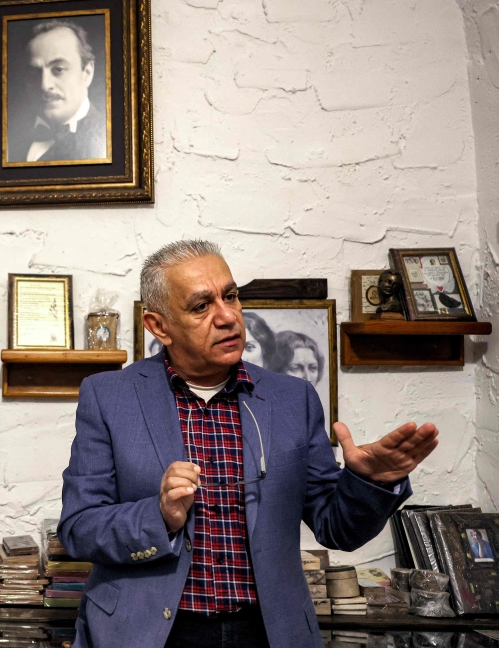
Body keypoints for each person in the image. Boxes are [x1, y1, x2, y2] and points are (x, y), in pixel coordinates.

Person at [58, 240, 438, 648]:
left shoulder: (292, 398)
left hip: (267, 633)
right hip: (149, 633)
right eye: (201, 306)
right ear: (159, 325)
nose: (228, 316)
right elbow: (79, 528)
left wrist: (370, 483)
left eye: (231, 296)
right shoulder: (109, 397)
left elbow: (337, 529)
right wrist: (159, 516)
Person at [13, 19, 107, 163]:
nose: (45, 85)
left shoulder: (111, 139)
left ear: (87, 73)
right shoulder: (13, 143)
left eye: (58, 70)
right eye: (35, 73)